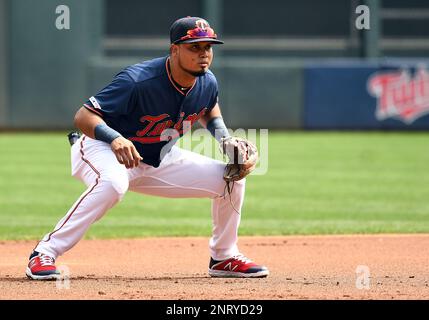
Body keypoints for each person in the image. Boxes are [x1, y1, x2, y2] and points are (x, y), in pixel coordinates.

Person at [26, 17, 269, 280]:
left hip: (156, 156)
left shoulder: (207, 81)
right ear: (175, 49)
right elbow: (83, 116)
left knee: (231, 179)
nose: (203, 55)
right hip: (102, 148)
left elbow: (209, 109)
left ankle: (224, 256)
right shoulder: (137, 80)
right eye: (194, 47)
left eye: (207, 47)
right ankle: (44, 252)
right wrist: (114, 138)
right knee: (113, 184)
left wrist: (224, 139)